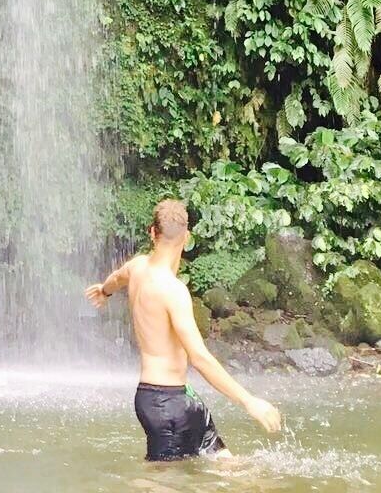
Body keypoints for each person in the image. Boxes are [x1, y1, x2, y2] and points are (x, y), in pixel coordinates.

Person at [86, 198, 282, 462]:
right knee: (163, 483)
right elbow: (199, 358)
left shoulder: (137, 267)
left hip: (175, 399)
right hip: (166, 403)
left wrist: (103, 291)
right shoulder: (173, 290)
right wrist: (249, 401)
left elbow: (116, 278)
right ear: (187, 237)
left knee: (227, 463)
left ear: (152, 232)